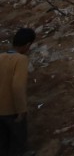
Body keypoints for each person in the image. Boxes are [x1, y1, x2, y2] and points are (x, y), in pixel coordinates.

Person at [0, 28, 35, 156]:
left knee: (3, 143)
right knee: (17, 143)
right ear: (27, 45)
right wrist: (21, 110)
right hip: (11, 110)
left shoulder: (1, 57)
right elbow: (17, 86)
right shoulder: (21, 60)